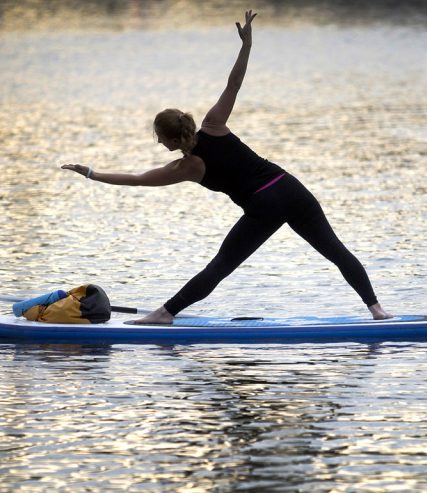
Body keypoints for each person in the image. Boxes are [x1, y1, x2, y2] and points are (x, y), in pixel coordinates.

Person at [62, 10, 391, 324]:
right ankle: (376, 310)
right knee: (336, 251)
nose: (159, 143)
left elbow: (136, 180)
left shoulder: (186, 167)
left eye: (159, 138)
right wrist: (247, 45)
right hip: (290, 187)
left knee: (221, 266)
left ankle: (165, 313)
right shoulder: (214, 124)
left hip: (264, 205)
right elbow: (233, 84)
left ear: (169, 138)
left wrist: (92, 173)